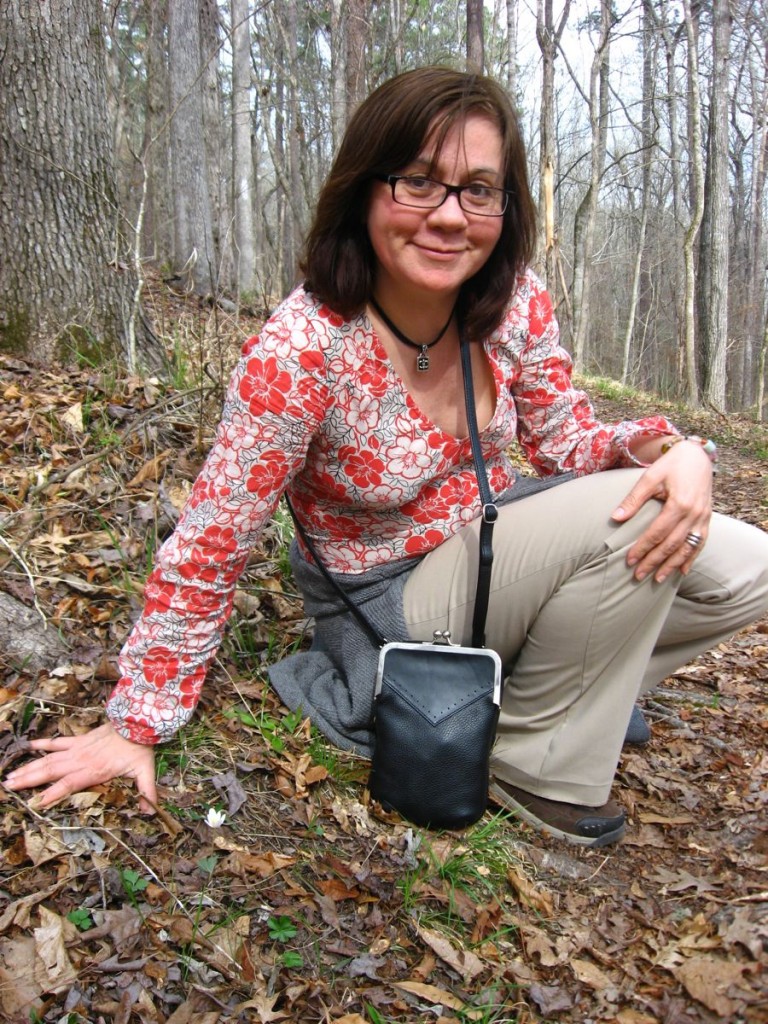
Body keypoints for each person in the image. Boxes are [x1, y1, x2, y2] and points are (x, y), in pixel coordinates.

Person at [5, 67, 768, 847]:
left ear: (505, 208)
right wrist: (136, 724)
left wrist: (676, 451)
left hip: (498, 547)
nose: (448, 217)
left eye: (478, 189)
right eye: (418, 183)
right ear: (365, 190)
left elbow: (565, 441)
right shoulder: (304, 349)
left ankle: (558, 697)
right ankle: (535, 767)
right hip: (388, 600)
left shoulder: (512, 304)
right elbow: (214, 538)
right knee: (622, 522)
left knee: (745, 564)